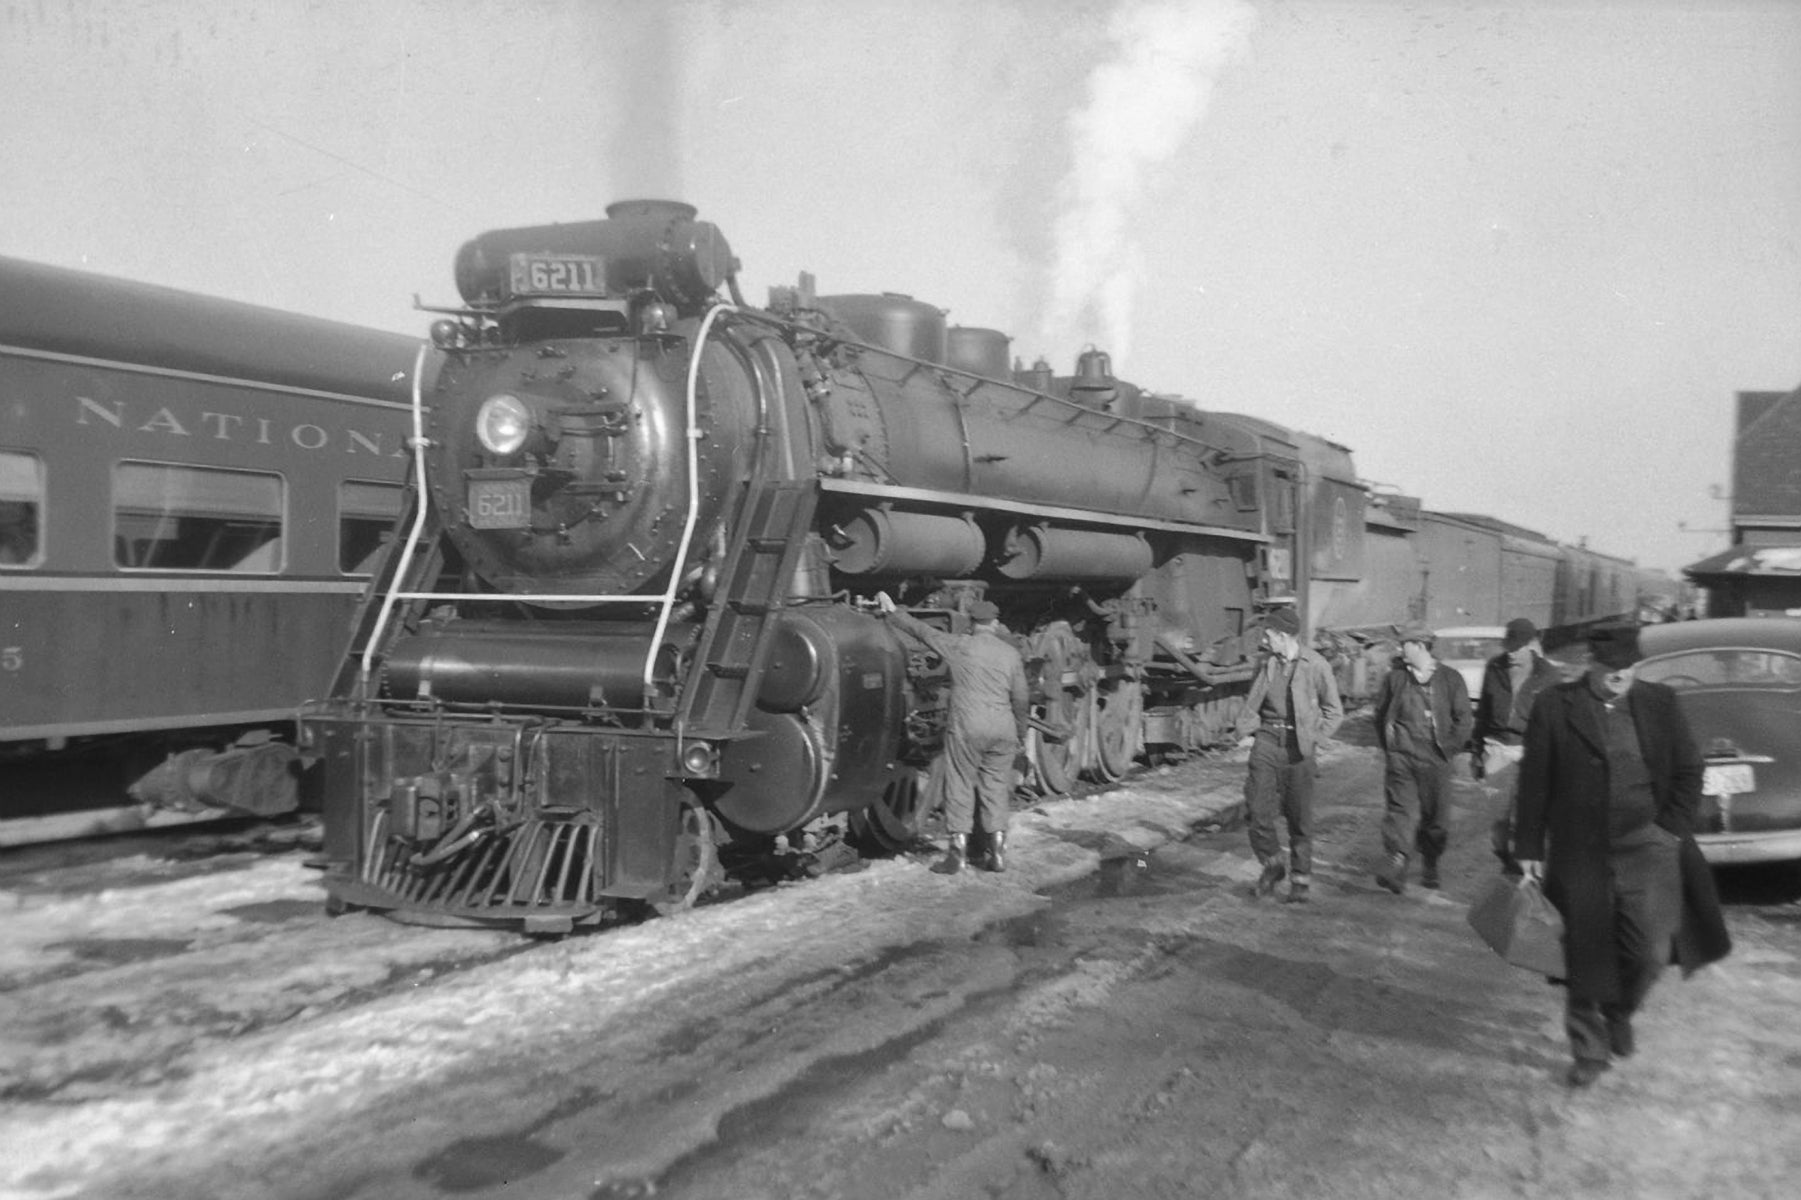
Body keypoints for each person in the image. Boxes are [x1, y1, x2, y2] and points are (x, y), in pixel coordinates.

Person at [1513, 622, 1731, 1088]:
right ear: (1592, 664)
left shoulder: (1659, 703)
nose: (1620, 676)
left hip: (1646, 849)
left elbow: (1690, 770)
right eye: (1611, 668)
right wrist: (1528, 846)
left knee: (1649, 952)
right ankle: (1589, 1050)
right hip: (1580, 851)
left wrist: (1669, 830)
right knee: (1584, 953)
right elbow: (1533, 781)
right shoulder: (1555, 706)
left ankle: (1619, 1010)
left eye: (1628, 668)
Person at [876, 592, 1029, 874]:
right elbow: (1020, 698)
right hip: (1003, 727)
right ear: (995, 624)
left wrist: (893, 612)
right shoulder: (1010, 654)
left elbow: (923, 632)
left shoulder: (960, 645)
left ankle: (956, 856)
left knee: (959, 784)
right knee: (995, 787)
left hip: (968, 727)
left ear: (972, 623)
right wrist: (1021, 731)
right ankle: (997, 854)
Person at [1232, 607, 1344, 904]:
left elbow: (1334, 711)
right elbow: (1253, 700)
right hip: (1267, 741)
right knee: (1257, 809)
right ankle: (1272, 864)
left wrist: (1316, 739)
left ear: (1282, 636)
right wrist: (1247, 727)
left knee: (1299, 817)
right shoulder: (1266, 664)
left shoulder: (1315, 665)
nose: (1265, 641)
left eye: (1268, 635)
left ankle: (1300, 880)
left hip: (1299, 747)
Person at [1372, 623, 1473, 893]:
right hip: (1402, 757)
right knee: (1399, 812)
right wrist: (1391, 749)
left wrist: (1449, 749)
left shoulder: (1451, 679)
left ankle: (1430, 861)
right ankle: (1397, 864)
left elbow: (1464, 720)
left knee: (1435, 816)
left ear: (1419, 646)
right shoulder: (1396, 678)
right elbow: (1380, 715)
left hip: (1435, 757)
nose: (1399, 648)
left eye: (1403, 644)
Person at [1474, 617, 1563, 873]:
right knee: (1497, 822)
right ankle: (1506, 856)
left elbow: (1556, 722)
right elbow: (1483, 712)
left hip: (1531, 752)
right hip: (1497, 749)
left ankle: (1520, 871)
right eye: (1508, 646)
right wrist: (1475, 751)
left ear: (1530, 645)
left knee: (1525, 816)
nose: (1511, 653)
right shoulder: (1495, 668)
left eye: (1517, 647)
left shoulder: (1548, 674)